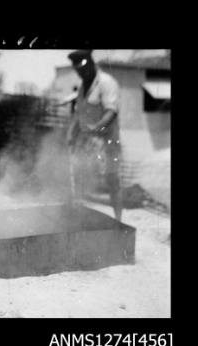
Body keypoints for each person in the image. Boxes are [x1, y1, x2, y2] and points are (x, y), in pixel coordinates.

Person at [66, 49, 123, 221]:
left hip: (107, 141)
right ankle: (80, 218)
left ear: (91, 63)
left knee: (112, 182)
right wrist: (71, 133)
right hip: (88, 142)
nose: (81, 73)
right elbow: (79, 114)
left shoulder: (107, 82)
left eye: (83, 68)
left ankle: (118, 220)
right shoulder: (83, 86)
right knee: (79, 176)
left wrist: (95, 129)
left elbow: (111, 112)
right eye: (77, 70)